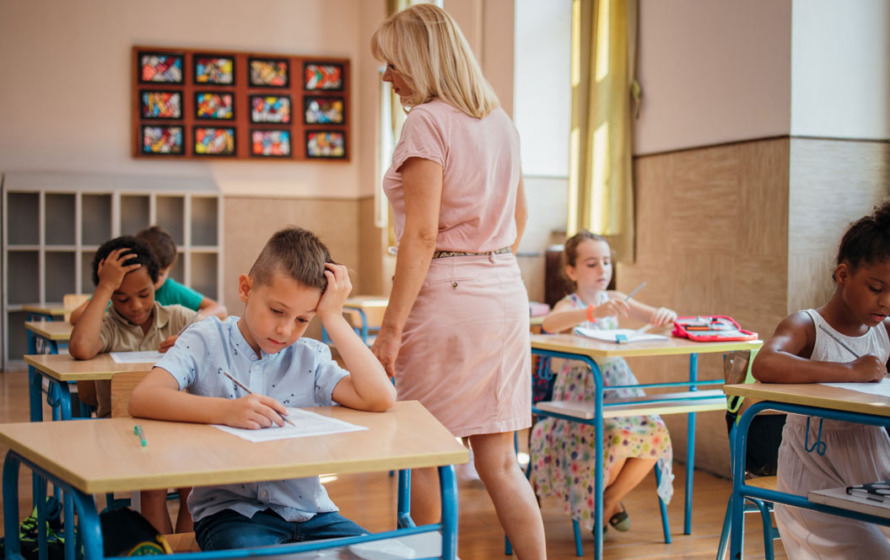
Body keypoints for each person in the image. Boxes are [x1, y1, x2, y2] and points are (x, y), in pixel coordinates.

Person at [369, 5, 545, 558]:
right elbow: (518, 224)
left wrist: (390, 330)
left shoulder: (426, 121)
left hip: (447, 296)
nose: (387, 76)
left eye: (393, 64)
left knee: (426, 452)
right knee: (499, 460)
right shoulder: (501, 123)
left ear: (420, 61)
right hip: (503, 292)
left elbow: (419, 237)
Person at [128, 227, 396, 551]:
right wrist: (226, 411)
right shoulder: (206, 339)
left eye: (302, 319)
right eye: (277, 311)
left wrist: (333, 316)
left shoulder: (309, 356)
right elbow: (144, 398)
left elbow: (380, 397)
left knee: (377, 553)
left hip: (312, 514)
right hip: (232, 515)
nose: (285, 330)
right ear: (245, 288)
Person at [752, 202, 890, 557]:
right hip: (815, 471)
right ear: (843, 275)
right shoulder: (808, 325)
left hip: (874, 462)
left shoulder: (885, 331)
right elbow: (765, 363)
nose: (886, 302)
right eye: (876, 287)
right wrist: (849, 371)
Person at [529, 230, 676, 534]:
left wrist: (665, 314)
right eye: (592, 264)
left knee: (657, 433)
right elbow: (549, 324)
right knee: (616, 438)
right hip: (582, 393)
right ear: (572, 271)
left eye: (607, 262)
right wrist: (594, 310)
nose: (602, 270)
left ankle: (608, 501)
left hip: (620, 388)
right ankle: (607, 502)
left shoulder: (617, 299)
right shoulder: (569, 304)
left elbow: (664, 319)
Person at [68, 235, 197, 534]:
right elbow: (81, 347)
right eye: (122, 298)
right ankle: (161, 553)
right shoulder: (109, 325)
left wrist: (191, 339)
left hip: (177, 423)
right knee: (153, 488)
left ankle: (186, 554)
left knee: (195, 487)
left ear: (157, 285)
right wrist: (104, 286)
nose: (136, 306)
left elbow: (218, 331)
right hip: (125, 428)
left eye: (144, 293)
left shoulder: (176, 316)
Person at [69, 225, 227, 325]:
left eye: (160, 274)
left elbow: (219, 309)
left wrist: (192, 324)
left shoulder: (170, 290)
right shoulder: (118, 290)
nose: (154, 280)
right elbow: (76, 317)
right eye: (124, 299)